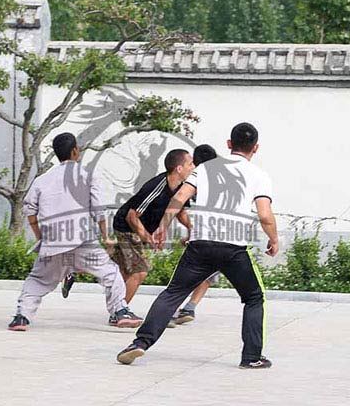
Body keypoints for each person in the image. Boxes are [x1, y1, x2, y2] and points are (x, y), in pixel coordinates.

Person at [116, 123, 279, 369]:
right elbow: (265, 215)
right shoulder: (259, 175)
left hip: (200, 245)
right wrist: (274, 239)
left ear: (228, 144)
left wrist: (161, 226)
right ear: (255, 148)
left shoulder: (204, 169)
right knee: (254, 297)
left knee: (172, 294)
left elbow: (179, 198)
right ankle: (252, 357)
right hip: (233, 248)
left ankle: (140, 343)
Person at [7, 133, 142, 331]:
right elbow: (98, 209)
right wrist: (105, 236)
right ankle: (120, 311)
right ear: (75, 151)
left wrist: (41, 238)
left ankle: (21, 317)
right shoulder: (88, 175)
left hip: (53, 241)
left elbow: (30, 212)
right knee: (110, 273)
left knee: (37, 279)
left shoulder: (42, 180)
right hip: (82, 240)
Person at [62, 149, 195, 314]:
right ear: (179, 168)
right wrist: (148, 237)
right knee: (139, 272)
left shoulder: (184, 188)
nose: (193, 167)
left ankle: (74, 269)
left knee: (121, 271)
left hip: (140, 229)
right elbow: (132, 216)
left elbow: (180, 211)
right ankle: (120, 311)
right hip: (127, 226)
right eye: (190, 163)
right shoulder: (156, 186)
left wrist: (190, 228)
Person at [173, 143, 219, 325]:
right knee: (208, 274)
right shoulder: (224, 178)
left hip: (202, 237)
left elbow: (179, 208)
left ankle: (170, 311)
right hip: (225, 238)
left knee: (187, 275)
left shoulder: (197, 177)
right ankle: (190, 307)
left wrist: (193, 233)